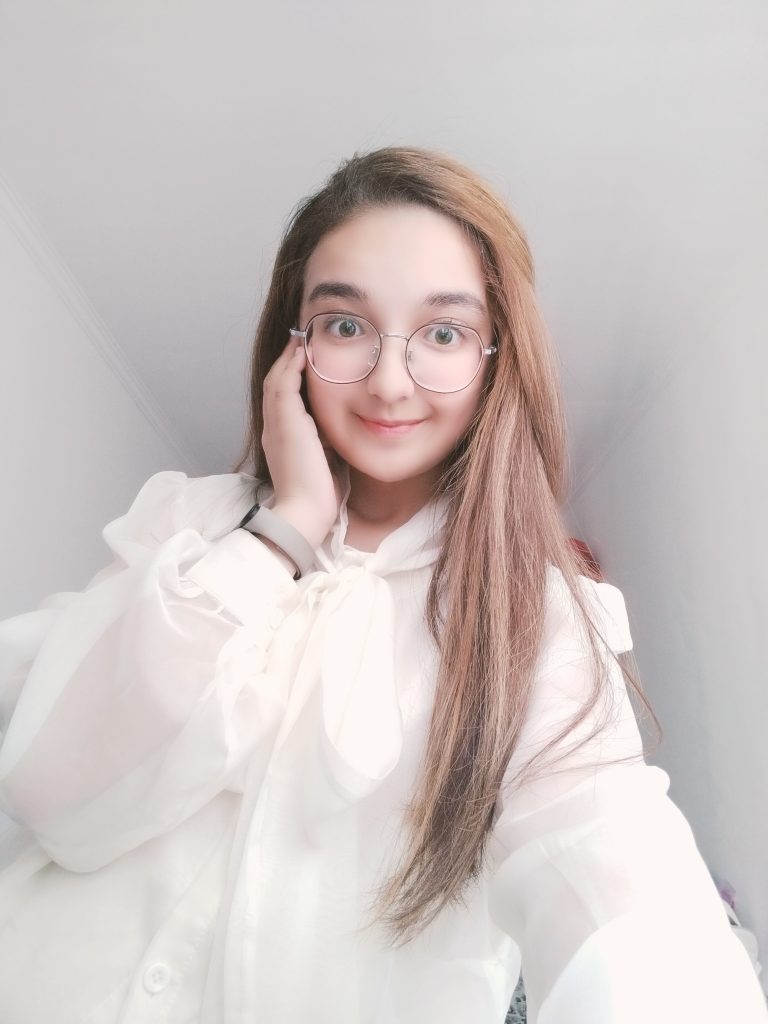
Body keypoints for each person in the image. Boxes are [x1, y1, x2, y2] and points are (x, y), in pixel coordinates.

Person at [0, 146, 764, 1024]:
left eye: (442, 332)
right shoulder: (189, 527)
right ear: (295, 347)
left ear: (492, 359)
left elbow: (605, 857)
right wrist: (281, 531)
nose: (391, 382)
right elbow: (48, 789)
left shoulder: (533, 616)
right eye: (346, 325)